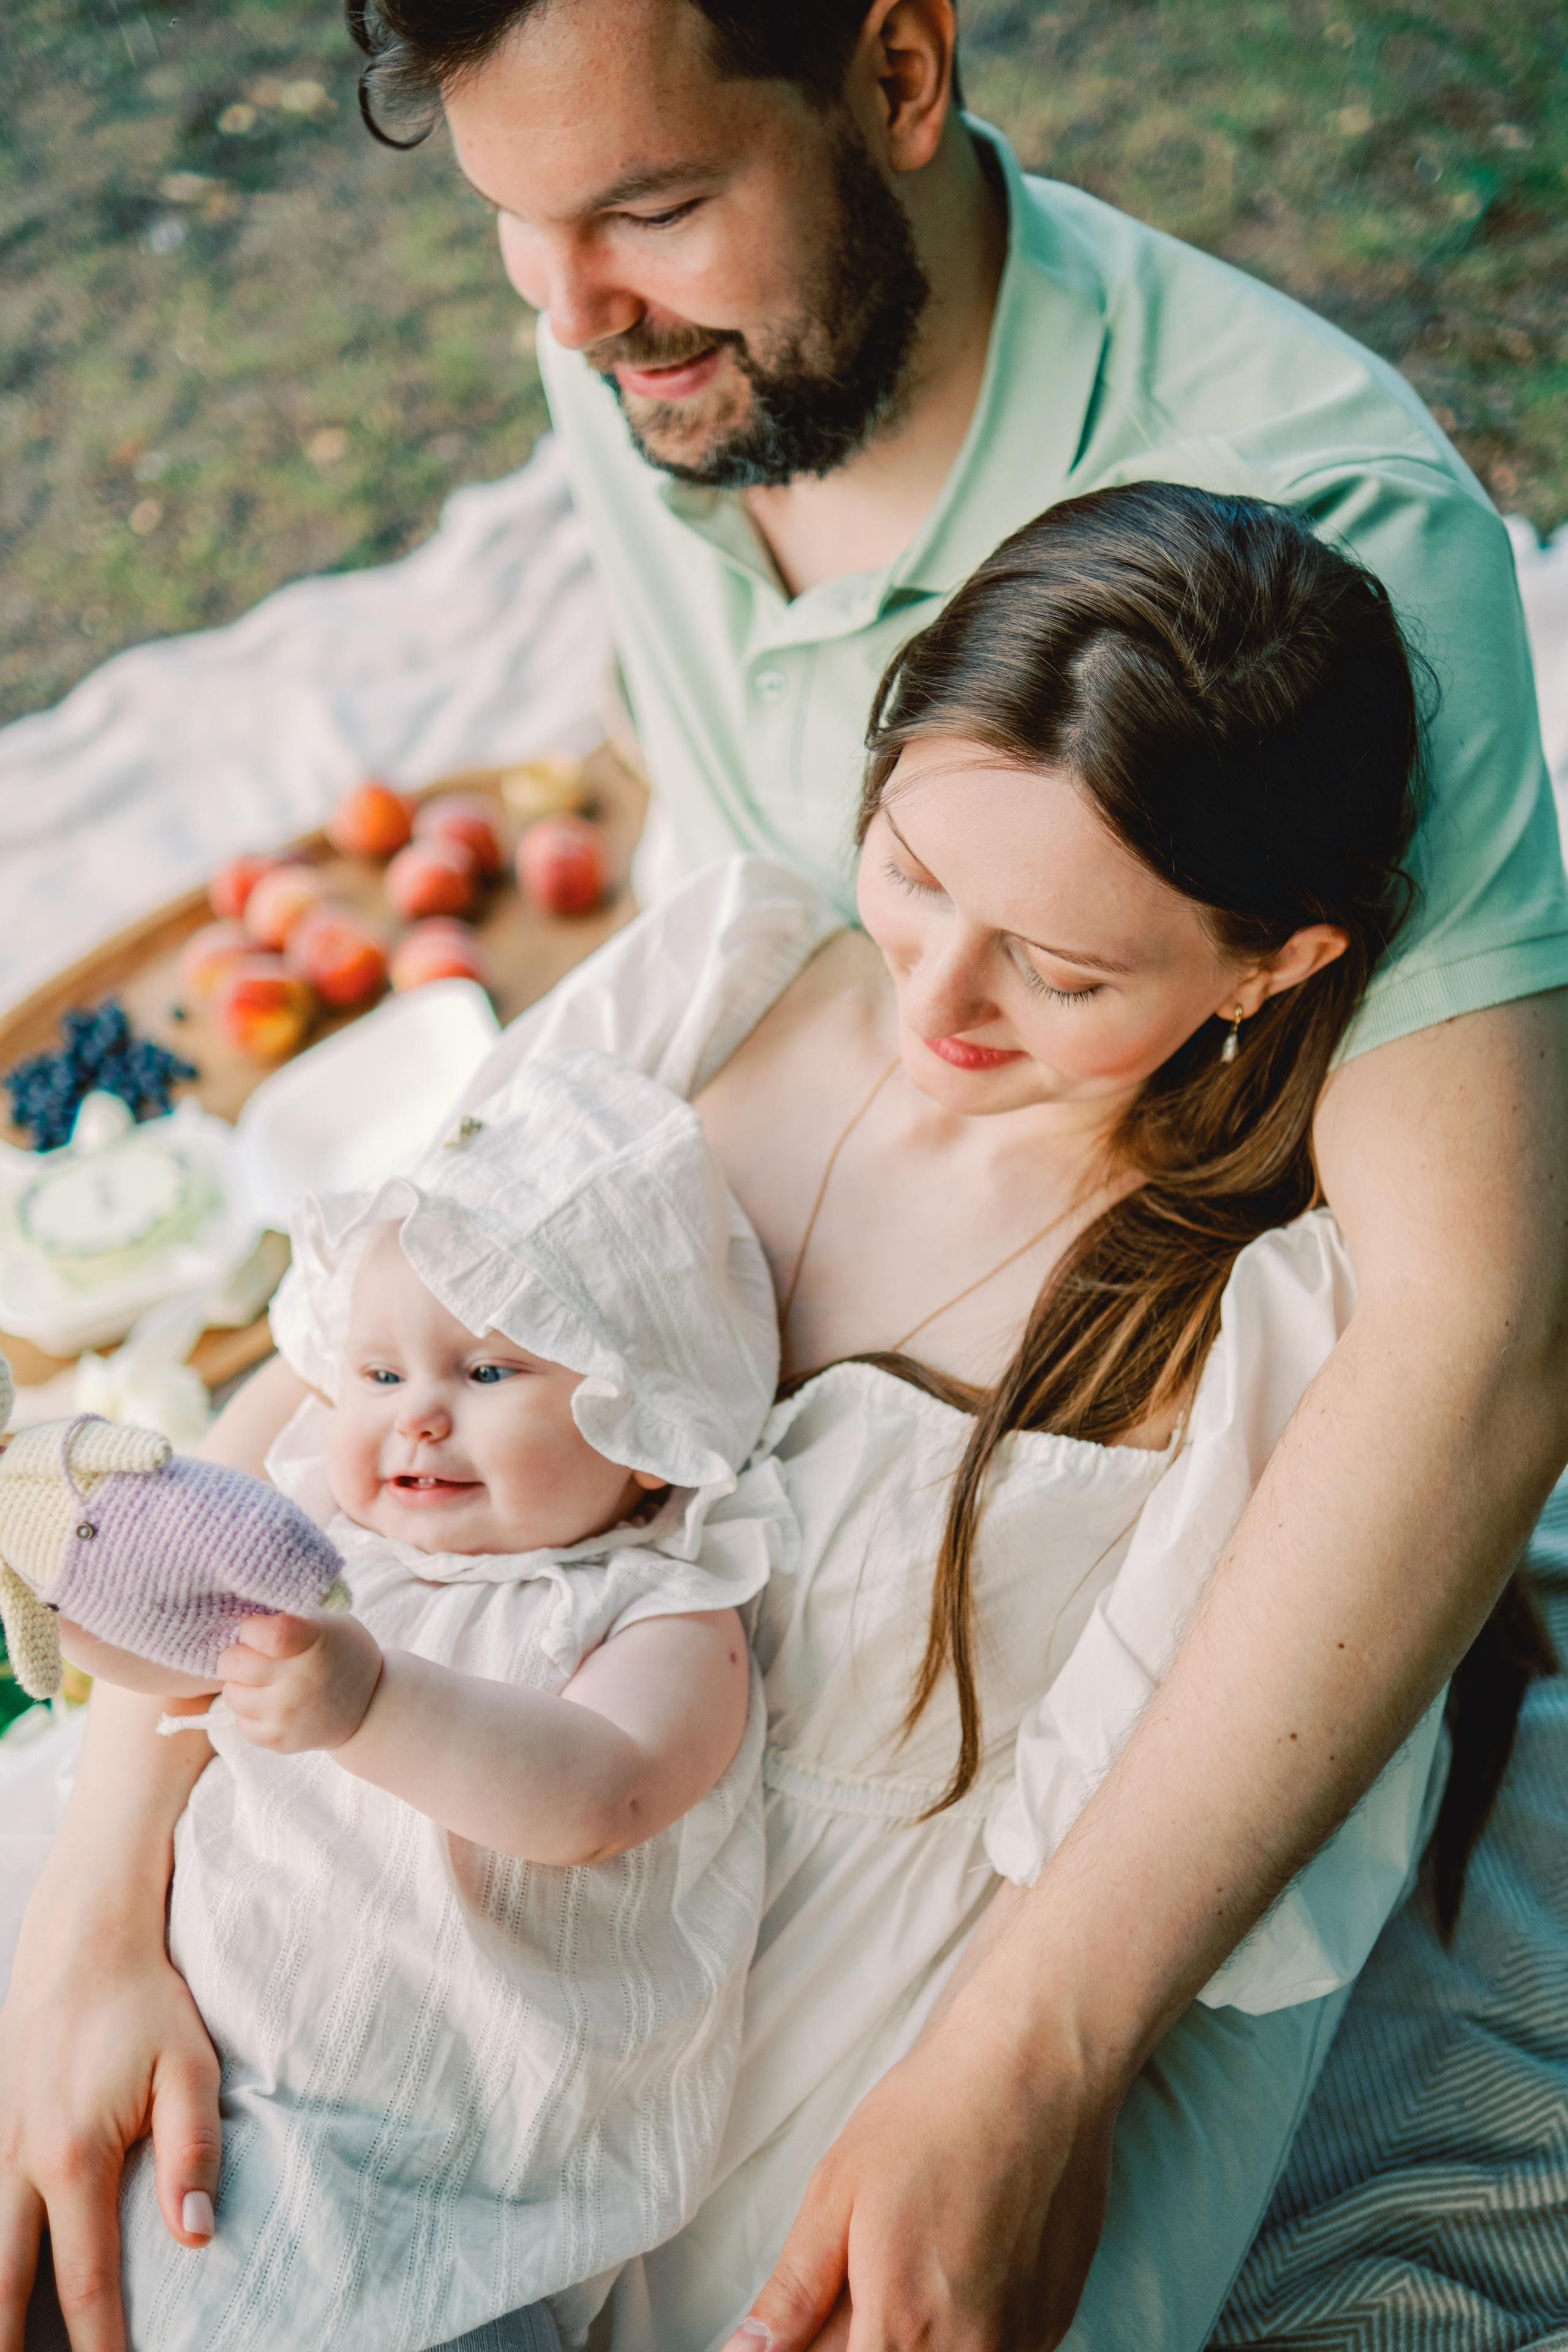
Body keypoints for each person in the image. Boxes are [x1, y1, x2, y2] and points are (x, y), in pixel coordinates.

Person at [1, 0, 1564, 2322]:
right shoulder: (736, 912)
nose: (565, 313)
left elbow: (1483, 1343)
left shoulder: (1324, 568)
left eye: (645, 212)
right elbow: (361, 1367)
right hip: (376, 1880)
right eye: (514, 224)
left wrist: (1027, 2068)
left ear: (897, 77)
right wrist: (97, 1911)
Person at [113, 1050, 788, 2352]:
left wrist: (374, 1706)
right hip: (196, 2067)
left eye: (486, 1375)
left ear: (642, 1419)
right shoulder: (317, 1525)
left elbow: (598, 1792)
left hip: (423, 2193)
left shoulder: (660, 1610)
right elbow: (168, 1653)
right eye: (377, 1377)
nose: (415, 1418)